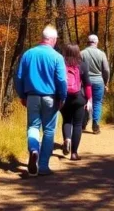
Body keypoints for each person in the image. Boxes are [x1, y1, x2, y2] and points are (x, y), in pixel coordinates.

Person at [15, 25, 67, 176]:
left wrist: (22, 95)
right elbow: (61, 80)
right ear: (52, 39)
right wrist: (62, 97)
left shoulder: (28, 54)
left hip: (31, 96)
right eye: (56, 39)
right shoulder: (57, 57)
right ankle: (43, 166)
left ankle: (33, 150)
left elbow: (18, 77)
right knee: (49, 130)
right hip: (50, 98)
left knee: (33, 127)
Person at [58, 44, 93, 161]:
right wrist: (89, 100)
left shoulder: (61, 64)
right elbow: (87, 85)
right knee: (77, 124)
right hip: (78, 98)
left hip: (64, 97)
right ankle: (74, 154)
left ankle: (67, 139)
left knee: (66, 120)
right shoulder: (82, 65)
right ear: (78, 53)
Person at [80, 34, 110, 134]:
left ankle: (83, 123)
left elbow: (78, 68)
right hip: (98, 81)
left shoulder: (82, 53)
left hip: (85, 82)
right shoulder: (101, 54)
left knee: (84, 102)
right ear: (96, 42)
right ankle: (95, 125)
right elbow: (106, 70)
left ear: (87, 42)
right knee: (97, 103)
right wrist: (106, 82)